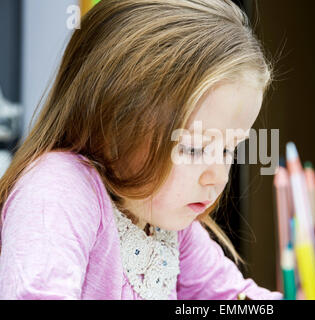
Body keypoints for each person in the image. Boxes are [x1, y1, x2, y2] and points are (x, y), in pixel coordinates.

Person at [0, 0, 282, 300]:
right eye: (193, 149)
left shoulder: (165, 220)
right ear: (114, 122)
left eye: (228, 150)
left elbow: (234, 297)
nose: (217, 178)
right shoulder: (57, 190)